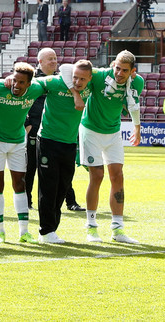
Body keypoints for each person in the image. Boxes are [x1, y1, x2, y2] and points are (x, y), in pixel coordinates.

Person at [62, 50, 143, 244]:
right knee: (97, 176)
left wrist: (137, 128)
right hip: (90, 130)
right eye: (117, 68)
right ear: (113, 65)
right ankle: (91, 227)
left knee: (118, 176)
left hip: (113, 132)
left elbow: (132, 104)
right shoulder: (98, 75)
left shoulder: (137, 82)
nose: (119, 73)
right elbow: (66, 69)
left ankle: (118, 229)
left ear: (132, 71)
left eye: (125, 70)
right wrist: (76, 95)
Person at [33, 60, 92, 243]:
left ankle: (52, 229)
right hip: (48, 140)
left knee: (62, 188)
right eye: (75, 77)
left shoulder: (93, 86)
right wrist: (75, 93)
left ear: (90, 79)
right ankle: (46, 230)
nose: (78, 82)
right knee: (48, 187)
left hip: (69, 143)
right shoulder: (55, 82)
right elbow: (63, 68)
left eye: (83, 79)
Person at [0, 63, 45, 244]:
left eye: (21, 82)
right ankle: (0, 232)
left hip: (18, 142)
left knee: (20, 183)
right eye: (15, 80)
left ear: (29, 84)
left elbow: (52, 82)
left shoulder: (36, 89)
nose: (16, 85)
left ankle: (24, 232)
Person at [25, 48, 85, 212]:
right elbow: (23, 100)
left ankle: (70, 201)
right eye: (49, 59)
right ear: (40, 62)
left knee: (61, 169)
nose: (53, 61)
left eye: (55, 58)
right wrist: (27, 122)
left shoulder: (64, 80)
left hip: (56, 129)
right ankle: (27, 201)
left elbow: (68, 67)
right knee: (30, 166)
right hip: (35, 127)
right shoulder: (34, 80)